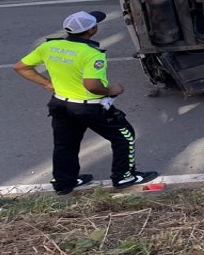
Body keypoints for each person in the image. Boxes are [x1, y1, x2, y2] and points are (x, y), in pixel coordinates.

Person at [14, 10, 158, 195]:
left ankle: (65, 182)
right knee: (124, 136)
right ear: (92, 30)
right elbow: (92, 85)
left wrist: (47, 83)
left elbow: (21, 67)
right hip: (88, 107)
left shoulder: (49, 46)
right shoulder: (92, 54)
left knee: (65, 144)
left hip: (60, 104)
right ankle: (124, 176)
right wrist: (112, 90)